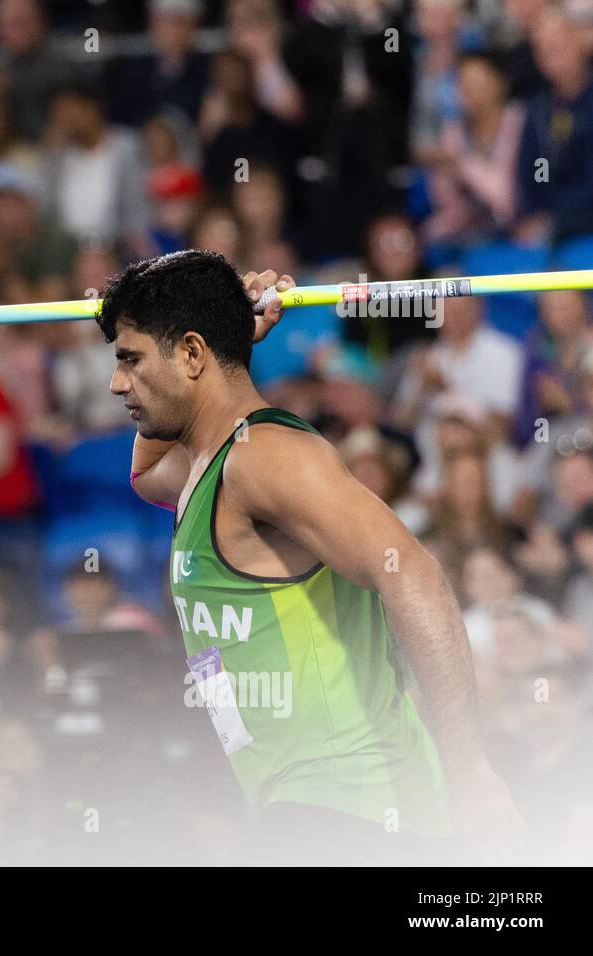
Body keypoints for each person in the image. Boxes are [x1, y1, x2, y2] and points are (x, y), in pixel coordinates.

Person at [104, 250, 524, 862]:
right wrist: (230, 342)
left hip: (353, 810)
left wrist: (469, 772)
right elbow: (144, 476)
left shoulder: (265, 458)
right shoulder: (204, 463)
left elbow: (413, 572)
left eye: (131, 359)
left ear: (190, 355)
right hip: (307, 809)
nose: (117, 382)